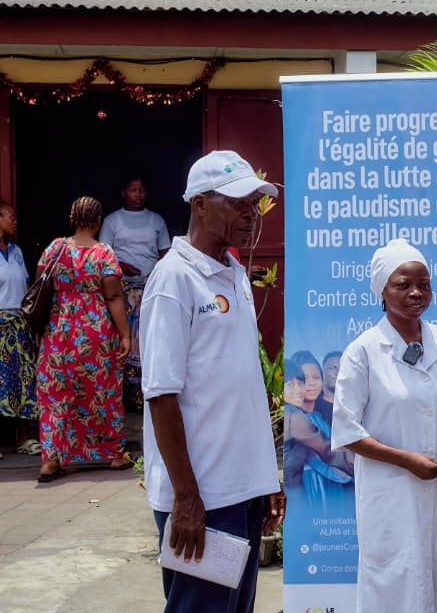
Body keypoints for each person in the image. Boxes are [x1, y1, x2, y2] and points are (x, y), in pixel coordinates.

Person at [140, 150, 284, 613]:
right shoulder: (173, 279)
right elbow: (161, 395)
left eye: (254, 204)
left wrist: (265, 478)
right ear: (200, 204)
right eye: (238, 202)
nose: (251, 214)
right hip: (202, 498)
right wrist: (186, 497)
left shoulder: (235, 275)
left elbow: (244, 389)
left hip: (241, 491)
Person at [331, 239, 437, 613]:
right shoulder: (364, 351)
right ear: (382, 289)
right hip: (391, 495)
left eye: (424, 284)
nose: (416, 293)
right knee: (393, 589)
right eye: (403, 284)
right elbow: (347, 430)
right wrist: (407, 460)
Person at [35, 196, 132, 483]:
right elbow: (113, 296)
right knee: (102, 390)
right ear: (99, 221)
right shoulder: (104, 253)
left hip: (58, 331)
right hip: (95, 333)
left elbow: (40, 285)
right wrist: (125, 334)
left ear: (72, 218)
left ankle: (51, 459)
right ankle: (114, 454)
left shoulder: (54, 248)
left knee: (55, 393)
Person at [99, 176, 171, 413]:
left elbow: (166, 254)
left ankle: (144, 394)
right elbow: (103, 255)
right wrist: (121, 265)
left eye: (142, 190)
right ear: (124, 193)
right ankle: (120, 395)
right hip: (120, 290)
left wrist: (159, 275)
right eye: (133, 190)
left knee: (147, 340)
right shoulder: (112, 221)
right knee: (123, 339)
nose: (138, 194)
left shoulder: (156, 220)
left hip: (150, 287)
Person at [282, 359, 351, 504]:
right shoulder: (293, 416)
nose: (298, 390)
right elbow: (328, 452)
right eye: (290, 385)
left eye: (300, 383)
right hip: (302, 496)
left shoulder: (310, 415)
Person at [0, 202, 38, 457]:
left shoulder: (16, 252)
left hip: (19, 323)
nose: (14, 221)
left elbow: (26, 286)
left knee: (24, 380)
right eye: (9, 217)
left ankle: (24, 438)